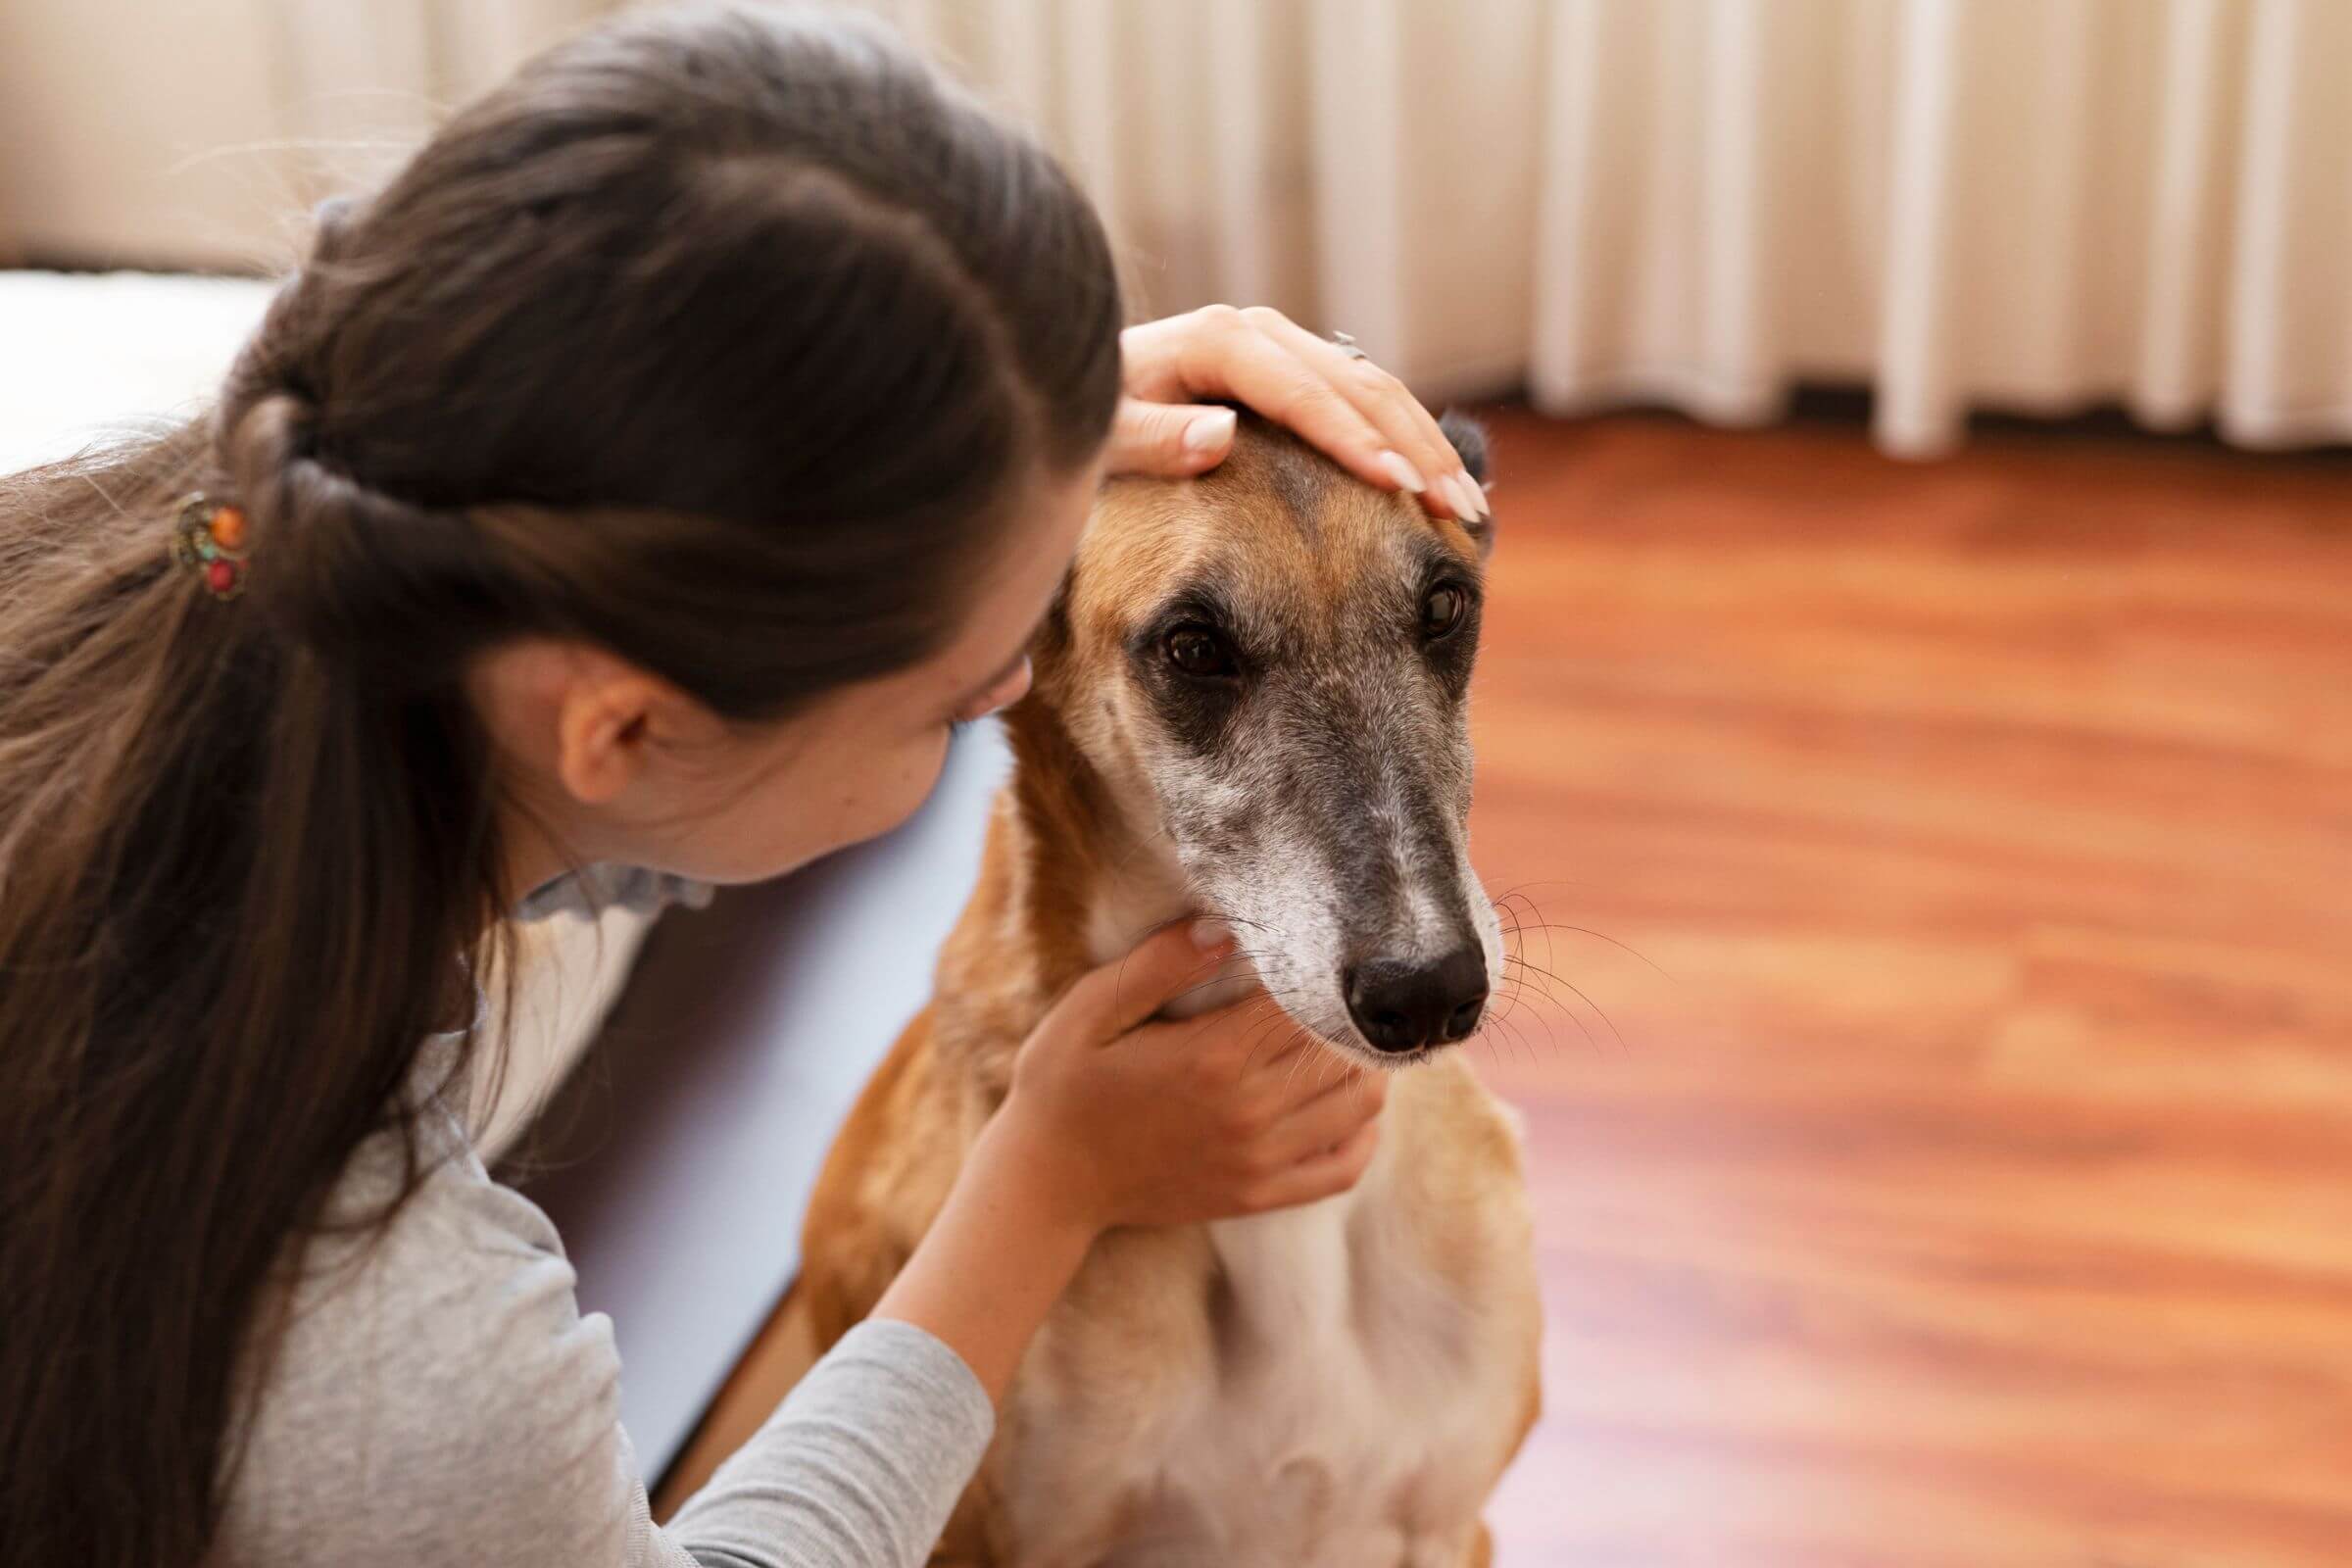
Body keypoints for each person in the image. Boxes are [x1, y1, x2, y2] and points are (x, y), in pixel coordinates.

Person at [0, 7, 1491, 1567]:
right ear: (629, 734)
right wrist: (1040, 1184)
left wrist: (993, 439)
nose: (1009, 699)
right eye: (951, 699)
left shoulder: (223, 562)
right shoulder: (405, 1351)